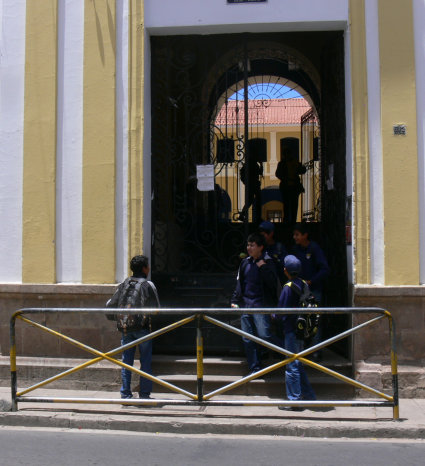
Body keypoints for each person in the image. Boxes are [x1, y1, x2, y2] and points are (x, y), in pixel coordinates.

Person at [106, 255, 160, 401]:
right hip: (143, 329)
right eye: (147, 266)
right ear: (144, 268)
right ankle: (144, 394)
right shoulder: (148, 285)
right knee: (145, 362)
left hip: (125, 328)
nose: (149, 268)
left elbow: (110, 305)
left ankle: (125, 394)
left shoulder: (124, 284)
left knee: (126, 362)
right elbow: (156, 309)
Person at [231, 232, 280, 375]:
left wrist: (262, 266)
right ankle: (255, 368)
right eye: (248, 245)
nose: (249, 248)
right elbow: (240, 283)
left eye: (252, 245)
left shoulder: (268, 262)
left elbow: (272, 283)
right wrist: (235, 301)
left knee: (265, 336)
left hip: (261, 306)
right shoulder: (245, 263)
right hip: (246, 306)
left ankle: (288, 353)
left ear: (261, 247)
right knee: (247, 338)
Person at [277, 255, 316, 410]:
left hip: (291, 329)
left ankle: (294, 399)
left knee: (292, 365)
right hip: (301, 330)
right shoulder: (304, 284)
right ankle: (309, 395)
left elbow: (281, 312)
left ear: (285, 270)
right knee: (297, 363)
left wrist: (273, 316)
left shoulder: (288, 287)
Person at [292, 223, 330, 362]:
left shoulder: (314, 249)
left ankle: (316, 351)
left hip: (313, 291)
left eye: (297, 234)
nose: (294, 237)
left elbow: (324, 269)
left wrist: (311, 281)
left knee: (314, 320)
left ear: (305, 235)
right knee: (299, 320)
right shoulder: (296, 250)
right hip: (299, 291)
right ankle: (300, 350)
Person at [275, 150, 306, 225]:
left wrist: (302, 167)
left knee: (292, 205)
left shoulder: (289, 163)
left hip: (292, 187)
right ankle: (288, 221)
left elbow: (302, 171)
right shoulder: (283, 163)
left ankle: (291, 221)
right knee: (289, 205)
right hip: (288, 187)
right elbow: (278, 174)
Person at [258, 220, 287, 285]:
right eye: (261, 234)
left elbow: (284, 266)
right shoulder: (259, 247)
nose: (262, 236)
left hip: (277, 283)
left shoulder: (279, 248)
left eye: (264, 233)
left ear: (271, 233)